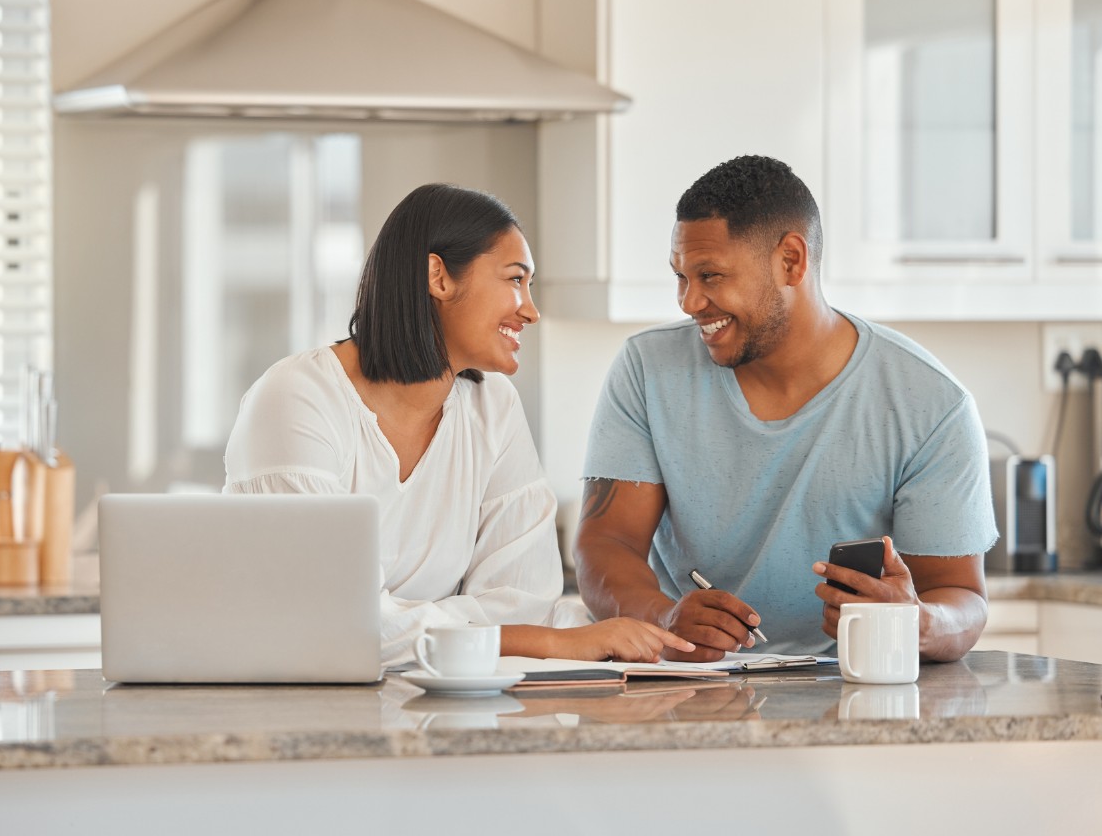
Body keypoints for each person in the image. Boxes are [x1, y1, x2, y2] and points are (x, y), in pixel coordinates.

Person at [224, 183, 692, 668]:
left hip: (435, 702)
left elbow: (525, 599)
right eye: (515, 280)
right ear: (438, 277)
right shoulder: (299, 396)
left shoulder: (493, 406)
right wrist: (545, 642)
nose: (530, 310)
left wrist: (398, 623)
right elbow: (328, 622)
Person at [576, 155, 996, 662]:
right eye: (681, 277)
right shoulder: (646, 369)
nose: (688, 302)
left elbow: (963, 599)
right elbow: (606, 545)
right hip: (689, 684)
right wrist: (663, 616)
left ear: (791, 260)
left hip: (852, 688)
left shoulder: (931, 404)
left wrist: (916, 621)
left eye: (709, 275)